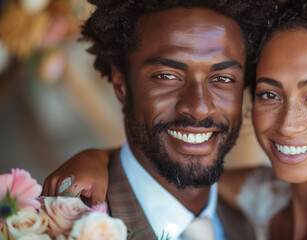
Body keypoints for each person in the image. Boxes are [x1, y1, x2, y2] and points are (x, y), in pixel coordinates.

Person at [44, 0, 307, 239]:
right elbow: (166, 162)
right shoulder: (264, 195)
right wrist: (95, 157)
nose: (288, 124)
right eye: (269, 94)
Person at [40, 0, 276, 240]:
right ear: (121, 84)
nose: (199, 108)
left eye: (223, 78)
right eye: (167, 76)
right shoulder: (56, 226)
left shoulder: (247, 223)